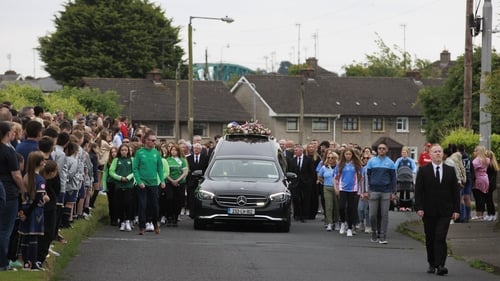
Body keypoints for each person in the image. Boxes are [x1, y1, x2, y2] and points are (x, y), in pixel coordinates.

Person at [415, 144, 460, 276]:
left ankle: (440, 265)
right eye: (435, 152)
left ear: (443, 154)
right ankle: (431, 262)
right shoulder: (423, 171)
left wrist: (456, 210)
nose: (438, 154)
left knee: (440, 237)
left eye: (440, 151)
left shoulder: (450, 170)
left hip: (445, 211)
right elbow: (418, 191)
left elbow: (455, 192)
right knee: (430, 237)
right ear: (430, 154)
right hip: (428, 211)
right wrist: (419, 207)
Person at [18, 151, 49, 271]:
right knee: (33, 237)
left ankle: (26, 262)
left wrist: (22, 211)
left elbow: (19, 195)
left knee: (25, 237)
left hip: (25, 208)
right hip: (35, 212)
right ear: (41, 163)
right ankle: (33, 262)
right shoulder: (40, 180)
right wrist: (28, 213)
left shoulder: (25, 176)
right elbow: (38, 199)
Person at [0, 121, 25, 271]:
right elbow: (16, 174)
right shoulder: (9, 152)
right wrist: (22, 190)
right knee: (5, 230)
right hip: (8, 192)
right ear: (7, 134)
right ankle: (3, 262)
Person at [133, 131, 165, 235]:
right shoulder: (139, 153)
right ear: (146, 141)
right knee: (143, 205)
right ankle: (142, 226)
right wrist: (139, 181)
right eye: (152, 140)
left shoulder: (156, 153)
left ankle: (155, 224)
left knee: (155, 205)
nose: (154, 142)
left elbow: (160, 168)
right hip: (142, 184)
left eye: (155, 140)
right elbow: (135, 168)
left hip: (153, 184)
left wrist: (162, 180)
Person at [365, 142, 397, 244]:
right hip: (374, 190)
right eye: (379, 148)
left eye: (383, 148)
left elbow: (393, 179)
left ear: (386, 150)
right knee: (372, 215)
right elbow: (368, 176)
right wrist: (366, 190)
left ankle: (383, 236)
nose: (381, 150)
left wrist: (393, 192)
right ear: (377, 150)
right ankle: (374, 233)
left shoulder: (391, 163)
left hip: (386, 191)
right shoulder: (371, 162)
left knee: (384, 215)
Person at [334, 147, 363, 237]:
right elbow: (335, 178)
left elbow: (361, 179)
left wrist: (361, 191)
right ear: (344, 155)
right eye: (346, 154)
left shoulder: (357, 165)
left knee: (351, 209)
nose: (348, 156)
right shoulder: (339, 165)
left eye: (349, 154)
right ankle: (343, 222)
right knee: (342, 207)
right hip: (342, 188)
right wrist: (336, 188)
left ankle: (350, 227)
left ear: (352, 155)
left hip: (353, 189)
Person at [286, 144, 316, 222]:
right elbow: (290, 171)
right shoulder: (292, 160)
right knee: (296, 199)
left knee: (305, 199)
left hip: (306, 183)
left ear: (301, 151)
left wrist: (309, 181)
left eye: (296, 150)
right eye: (294, 150)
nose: (295, 152)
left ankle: (304, 215)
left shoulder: (308, 159)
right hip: (295, 183)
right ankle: (297, 214)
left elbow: (312, 172)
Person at [109, 144, 135, 231]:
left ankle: (128, 220)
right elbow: (111, 171)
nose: (124, 152)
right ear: (120, 151)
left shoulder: (132, 160)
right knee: (119, 204)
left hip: (129, 185)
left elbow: (135, 171)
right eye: (122, 150)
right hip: (119, 185)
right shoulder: (116, 160)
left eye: (125, 150)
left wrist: (128, 177)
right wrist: (120, 178)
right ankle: (122, 221)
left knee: (128, 203)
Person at [165, 144, 188, 226]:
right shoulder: (167, 160)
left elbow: (185, 172)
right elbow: (165, 172)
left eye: (175, 150)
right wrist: (172, 181)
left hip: (180, 183)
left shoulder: (182, 160)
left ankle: (175, 216)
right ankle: (169, 216)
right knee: (169, 198)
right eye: (172, 150)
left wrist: (177, 180)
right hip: (169, 182)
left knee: (178, 200)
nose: (173, 151)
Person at [317, 151, 339, 231]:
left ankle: (337, 222)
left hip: (337, 188)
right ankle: (329, 222)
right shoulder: (324, 167)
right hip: (327, 187)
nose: (330, 159)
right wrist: (324, 182)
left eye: (332, 158)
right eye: (328, 158)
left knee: (337, 206)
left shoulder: (339, 167)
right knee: (328, 206)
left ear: (335, 159)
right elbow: (319, 176)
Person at [186, 142, 209, 217]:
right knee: (191, 197)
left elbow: (206, 169)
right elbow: (187, 169)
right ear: (193, 149)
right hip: (191, 181)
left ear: (201, 149)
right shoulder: (188, 158)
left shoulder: (205, 158)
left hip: (201, 181)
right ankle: (192, 213)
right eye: (195, 148)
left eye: (198, 148)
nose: (196, 149)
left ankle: (199, 212)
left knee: (200, 197)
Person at [394, 147, 417, 211]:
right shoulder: (399, 160)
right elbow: (395, 167)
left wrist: (414, 172)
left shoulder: (410, 160)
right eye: (403, 152)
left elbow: (414, 167)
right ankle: (401, 206)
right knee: (401, 192)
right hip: (400, 178)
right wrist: (395, 173)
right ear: (401, 153)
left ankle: (408, 206)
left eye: (405, 152)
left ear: (407, 153)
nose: (404, 154)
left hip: (408, 178)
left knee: (407, 192)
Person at [471, 145, 490, 220]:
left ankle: (478, 215)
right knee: (483, 197)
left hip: (478, 179)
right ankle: (481, 215)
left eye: (475, 150)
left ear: (479, 151)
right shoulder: (487, 159)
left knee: (478, 197)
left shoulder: (476, 160)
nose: (474, 152)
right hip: (485, 178)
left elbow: (472, 169)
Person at [458, 144, 473, 222]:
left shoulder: (458, 158)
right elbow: (472, 169)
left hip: (462, 179)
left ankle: (462, 217)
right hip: (469, 178)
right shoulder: (468, 157)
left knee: (461, 198)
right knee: (468, 198)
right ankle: (468, 216)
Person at [485, 150, 498, 222]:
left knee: (489, 200)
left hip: (489, 184)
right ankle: (490, 214)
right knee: (489, 200)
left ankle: (491, 214)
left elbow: (491, 176)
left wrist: (488, 184)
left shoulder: (490, 165)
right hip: (491, 184)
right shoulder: (493, 164)